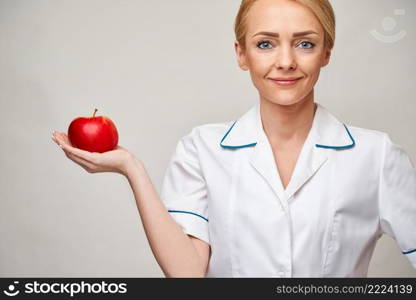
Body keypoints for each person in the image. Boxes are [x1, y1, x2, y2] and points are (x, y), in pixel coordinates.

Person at [52, 0, 416, 277]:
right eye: (265, 44)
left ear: (326, 53)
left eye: (305, 44)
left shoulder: (377, 156)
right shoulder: (201, 149)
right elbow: (188, 273)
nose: (286, 61)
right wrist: (130, 167)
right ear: (241, 54)